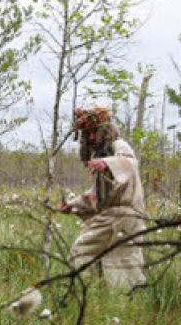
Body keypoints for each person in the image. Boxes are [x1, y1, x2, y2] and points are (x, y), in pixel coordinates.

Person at [57, 107, 147, 288]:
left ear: (105, 130)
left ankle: (87, 289)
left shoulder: (118, 145)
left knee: (83, 250)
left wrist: (107, 163)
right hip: (114, 216)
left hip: (124, 215)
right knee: (118, 258)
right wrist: (72, 205)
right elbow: (97, 196)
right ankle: (105, 292)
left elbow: (130, 163)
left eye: (94, 132)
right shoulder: (102, 154)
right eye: (87, 134)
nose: (91, 137)